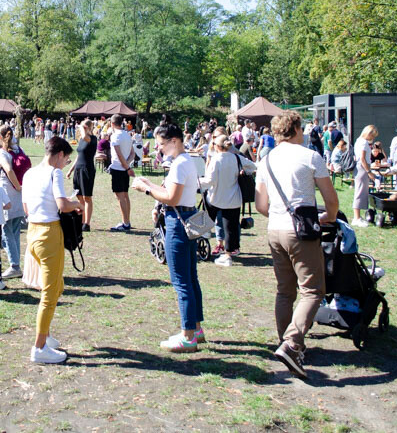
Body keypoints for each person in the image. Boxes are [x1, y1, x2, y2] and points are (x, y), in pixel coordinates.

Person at [254, 110, 339, 379]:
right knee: (313, 290)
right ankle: (292, 344)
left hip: (274, 230)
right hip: (301, 232)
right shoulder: (310, 156)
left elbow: (261, 205)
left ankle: (286, 341)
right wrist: (328, 217)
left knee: (284, 291)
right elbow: (331, 200)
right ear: (297, 129)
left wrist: (279, 215)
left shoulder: (266, 160)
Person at [131, 123, 207, 353]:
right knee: (191, 277)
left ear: (174, 141)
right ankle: (196, 328)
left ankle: (187, 336)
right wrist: (149, 184)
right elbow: (172, 192)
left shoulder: (179, 164)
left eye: (162, 144)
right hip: (187, 218)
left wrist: (146, 190)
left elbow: (171, 198)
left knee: (181, 281)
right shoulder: (186, 161)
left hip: (178, 222)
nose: (159, 148)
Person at [22, 137, 81, 364]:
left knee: (56, 286)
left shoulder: (29, 173)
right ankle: (39, 347)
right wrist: (77, 204)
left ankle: (44, 334)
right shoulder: (54, 173)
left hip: (33, 233)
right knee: (49, 293)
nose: (65, 164)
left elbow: (27, 207)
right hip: (49, 234)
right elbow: (63, 205)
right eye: (66, 160)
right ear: (60, 155)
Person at [201, 132, 256, 266]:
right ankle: (228, 254)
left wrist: (197, 182)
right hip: (233, 198)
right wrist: (244, 172)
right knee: (231, 228)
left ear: (216, 146)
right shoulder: (236, 158)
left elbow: (209, 181)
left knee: (207, 213)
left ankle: (205, 232)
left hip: (216, 197)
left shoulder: (216, 160)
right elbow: (253, 166)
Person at [0, 125, 25, 279]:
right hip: (20, 195)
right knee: (15, 231)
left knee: (6, 231)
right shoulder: (19, 150)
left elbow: (8, 169)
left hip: (8, 194)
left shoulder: (1, 152)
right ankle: (16, 263)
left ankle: (15, 266)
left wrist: (17, 186)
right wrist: (20, 187)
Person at [107, 114, 135, 231]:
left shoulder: (115, 136)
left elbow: (118, 154)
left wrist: (125, 166)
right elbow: (132, 153)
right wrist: (127, 165)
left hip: (118, 169)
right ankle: (127, 221)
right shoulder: (127, 135)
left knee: (120, 197)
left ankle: (125, 223)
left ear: (112, 124)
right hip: (124, 168)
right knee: (125, 195)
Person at [71, 119, 97, 232]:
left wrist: (82, 127)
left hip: (87, 169)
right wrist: (71, 170)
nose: (82, 128)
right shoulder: (82, 139)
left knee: (87, 197)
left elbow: (86, 137)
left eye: (85, 127)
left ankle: (87, 223)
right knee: (79, 196)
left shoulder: (93, 139)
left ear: (89, 128)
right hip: (78, 169)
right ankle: (81, 222)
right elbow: (78, 156)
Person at [352, 125, 378, 227]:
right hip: (362, 168)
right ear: (369, 133)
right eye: (373, 135)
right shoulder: (363, 142)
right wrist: (369, 171)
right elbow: (362, 159)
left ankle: (358, 217)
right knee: (359, 192)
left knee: (361, 191)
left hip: (361, 167)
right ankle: (356, 218)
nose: (373, 138)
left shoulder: (359, 140)